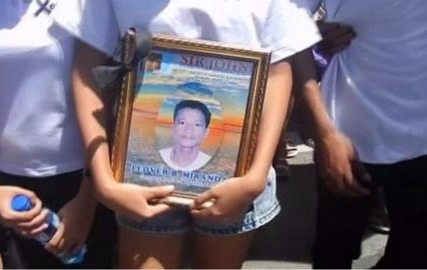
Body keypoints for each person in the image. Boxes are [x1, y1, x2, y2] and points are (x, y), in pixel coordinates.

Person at [53, 0, 321, 268]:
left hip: (236, 178)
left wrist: (256, 175)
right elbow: (88, 69)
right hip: (141, 180)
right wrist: (102, 178)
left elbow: (278, 69)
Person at [0, 0, 116, 268]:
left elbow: (109, 95)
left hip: (88, 183)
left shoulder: (91, 4)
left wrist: (88, 198)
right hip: (9, 191)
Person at [293, 0, 427, 268]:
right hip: (348, 135)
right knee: (334, 250)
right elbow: (287, 32)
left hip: (422, 138)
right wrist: (325, 134)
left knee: (414, 252)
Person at [159, 99, 212, 171]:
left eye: (197, 124)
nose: (188, 130)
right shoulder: (159, 157)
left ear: (206, 132)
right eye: (182, 123)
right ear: (173, 127)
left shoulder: (210, 164)